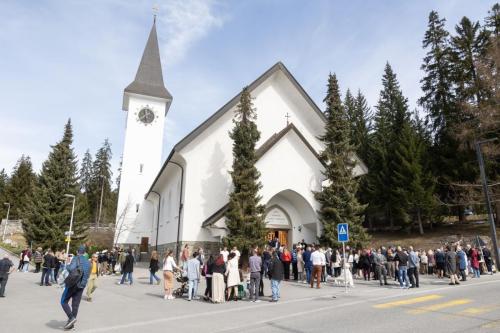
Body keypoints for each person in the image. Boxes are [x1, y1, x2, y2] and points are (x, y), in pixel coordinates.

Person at [61, 245, 91, 330]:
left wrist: (66, 265)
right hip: (81, 286)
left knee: (63, 301)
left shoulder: (76, 258)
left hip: (73, 284)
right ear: (85, 252)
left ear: (78, 251)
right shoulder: (88, 262)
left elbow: (70, 269)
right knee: (75, 305)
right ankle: (71, 325)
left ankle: (71, 318)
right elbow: (87, 274)